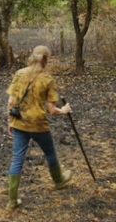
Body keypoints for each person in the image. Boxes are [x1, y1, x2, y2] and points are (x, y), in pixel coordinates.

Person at [5, 45, 73, 211]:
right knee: (49, 153)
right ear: (46, 59)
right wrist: (63, 110)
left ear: (32, 56)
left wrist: (10, 122)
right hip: (39, 126)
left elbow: (11, 102)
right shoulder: (47, 79)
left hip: (20, 123)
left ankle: (12, 201)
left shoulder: (20, 73)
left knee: (17, 159)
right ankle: (58, 181)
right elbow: (51, 109)